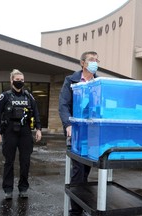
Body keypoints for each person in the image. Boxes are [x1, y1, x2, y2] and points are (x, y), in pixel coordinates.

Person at [59, 51, 99, 216]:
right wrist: (68, 123)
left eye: (97, 60)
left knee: (86, 169)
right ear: (82, 63)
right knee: (78, 170)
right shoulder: (71, 80)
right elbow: (63, 104)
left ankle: (81, 202)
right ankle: (75, 210)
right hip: (76, 131)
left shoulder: (99, 82)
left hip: (93, 132)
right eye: (91, 60)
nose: (94, 62)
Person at [0, 69, 42, 200]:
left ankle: (23, 188)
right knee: (9, 161)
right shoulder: (5, 96)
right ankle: (8, 189)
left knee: (25, 161)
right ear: (11, 80)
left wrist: (38, 129)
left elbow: (36, 112)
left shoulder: (28, 96)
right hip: (9, 131)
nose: (20, 82)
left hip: (25, 131)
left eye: (22, 80)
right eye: (17, 80)